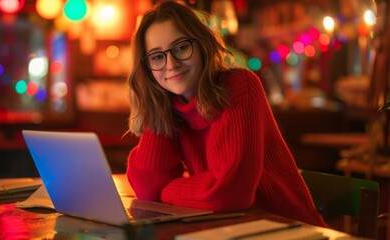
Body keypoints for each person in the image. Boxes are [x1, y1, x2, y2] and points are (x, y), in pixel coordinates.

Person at [126, 0, 327, 227]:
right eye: (157, 57)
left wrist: (166, 188)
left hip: (288, 228)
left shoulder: (240, 85)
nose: (170, 64)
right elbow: (147, 189)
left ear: (201, 45)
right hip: (229, 229)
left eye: (181, 47)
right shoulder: (170, 103)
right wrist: (157, 108)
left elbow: (229, 193)